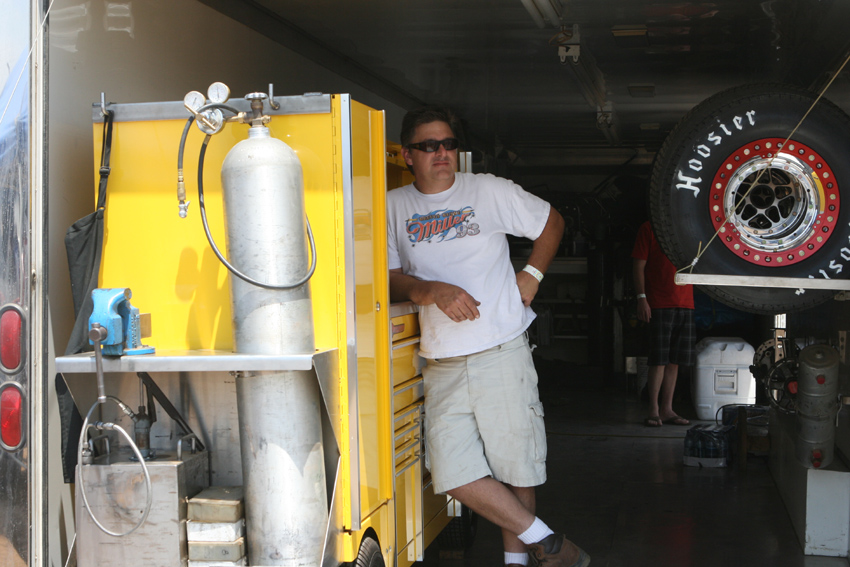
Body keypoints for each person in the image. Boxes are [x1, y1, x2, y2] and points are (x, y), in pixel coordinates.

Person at [387, 106, 589, 567]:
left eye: (449, 143)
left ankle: (519, 563)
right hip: (441, 360)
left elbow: (551, 222)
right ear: (408, 155)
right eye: (429, 146)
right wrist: (429, 290)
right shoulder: (392, 206)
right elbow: (391, 277)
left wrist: (533, 275)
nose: (442, 152)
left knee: (517, 468)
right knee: (452, 473)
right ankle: (551, 545)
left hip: (501, 351)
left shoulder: (487, 190)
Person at [631, 220, 694, 427]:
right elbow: (638, 265)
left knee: (675, 361)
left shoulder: (687, 227)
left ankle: (667, 409)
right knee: (658, 359)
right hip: (659, 302)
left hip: (685, 302)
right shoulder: (650, 228)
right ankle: (654, 409)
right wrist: (642, 298)